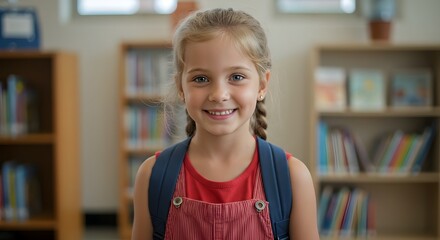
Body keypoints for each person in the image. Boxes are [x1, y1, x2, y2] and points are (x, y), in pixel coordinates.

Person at [132, 8, 319, 240]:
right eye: (201, 79)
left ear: (262, 84)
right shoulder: (152, 175)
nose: (219, 94)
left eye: (237, 77)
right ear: (181, 87)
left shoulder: (293, 177)